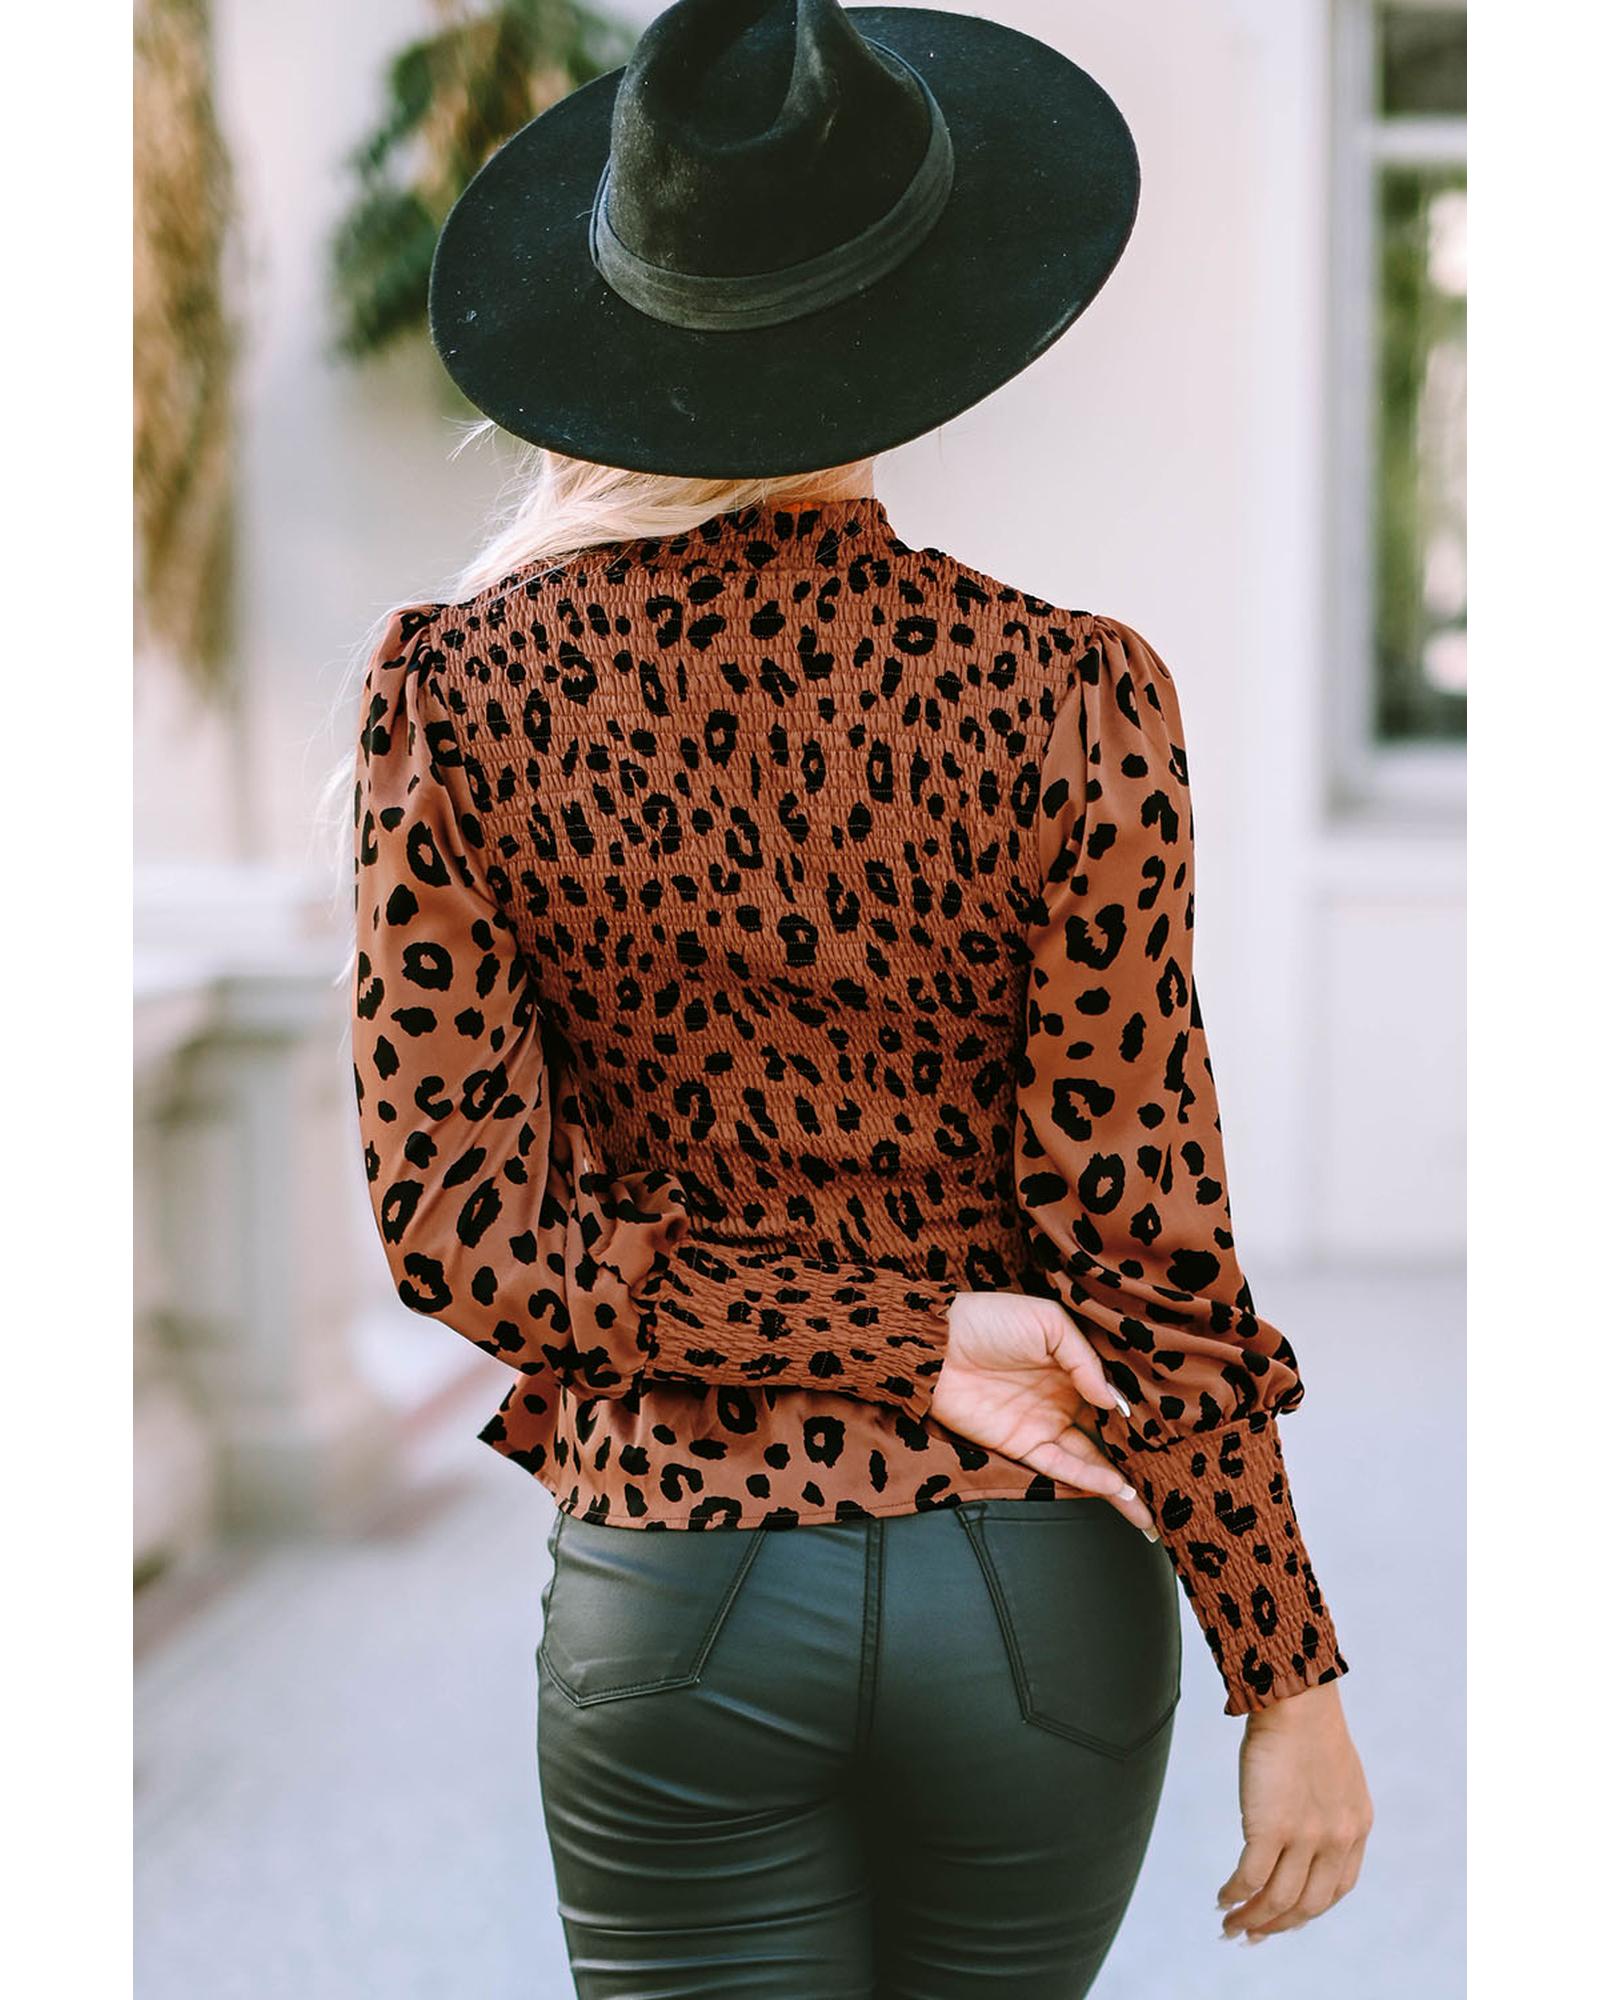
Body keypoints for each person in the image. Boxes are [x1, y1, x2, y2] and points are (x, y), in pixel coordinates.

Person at [345, 3, 1371, 1992]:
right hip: (1034, 1573)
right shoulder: (1072, 693)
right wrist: (1284, 1667)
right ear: (919, 317)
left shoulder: (453, 695)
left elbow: (459, 1232)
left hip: (678, 1579)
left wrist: (892, 1338)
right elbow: (1145, 1230)